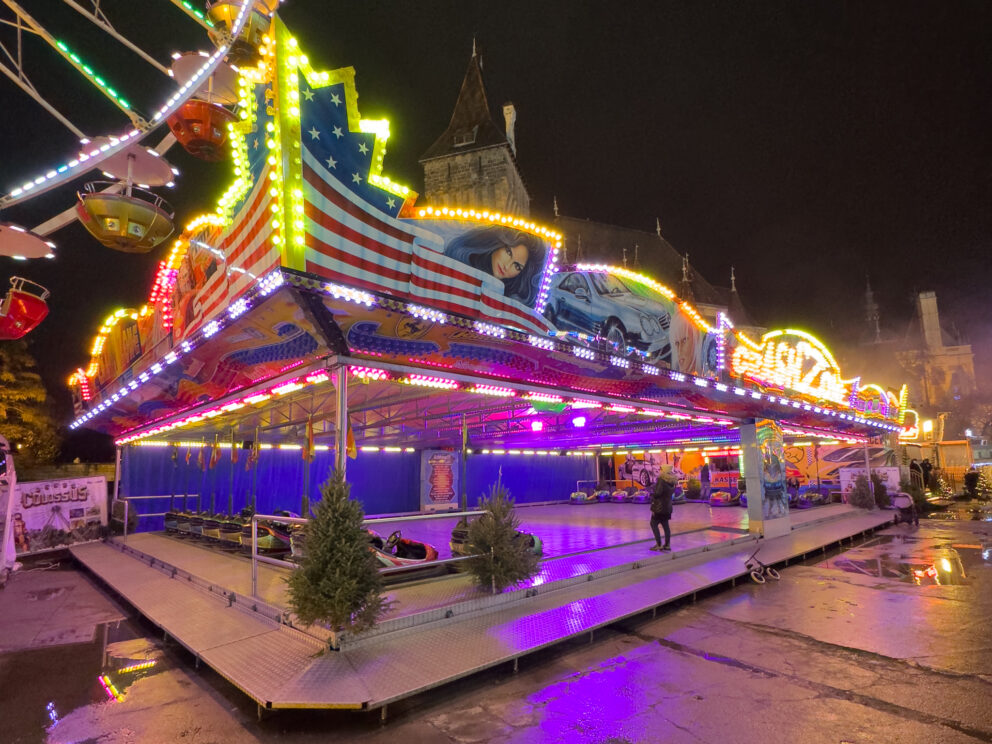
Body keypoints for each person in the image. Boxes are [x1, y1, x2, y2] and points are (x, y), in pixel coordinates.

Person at [442, 227, 547, 305]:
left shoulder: (509, 298)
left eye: (517, 266)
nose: (507, 266)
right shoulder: (460, 260)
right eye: (508, 253)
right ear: (497, 244)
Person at [649, 465, 678, 552]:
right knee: (665, 525)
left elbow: (658, 493)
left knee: (653, 523)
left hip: (659, 507)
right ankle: (667, 545)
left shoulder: (661, 480)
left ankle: (658, 544)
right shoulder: (672, 481)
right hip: (668, 507)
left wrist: (652, 493)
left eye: (661, 469)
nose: (660, 470)